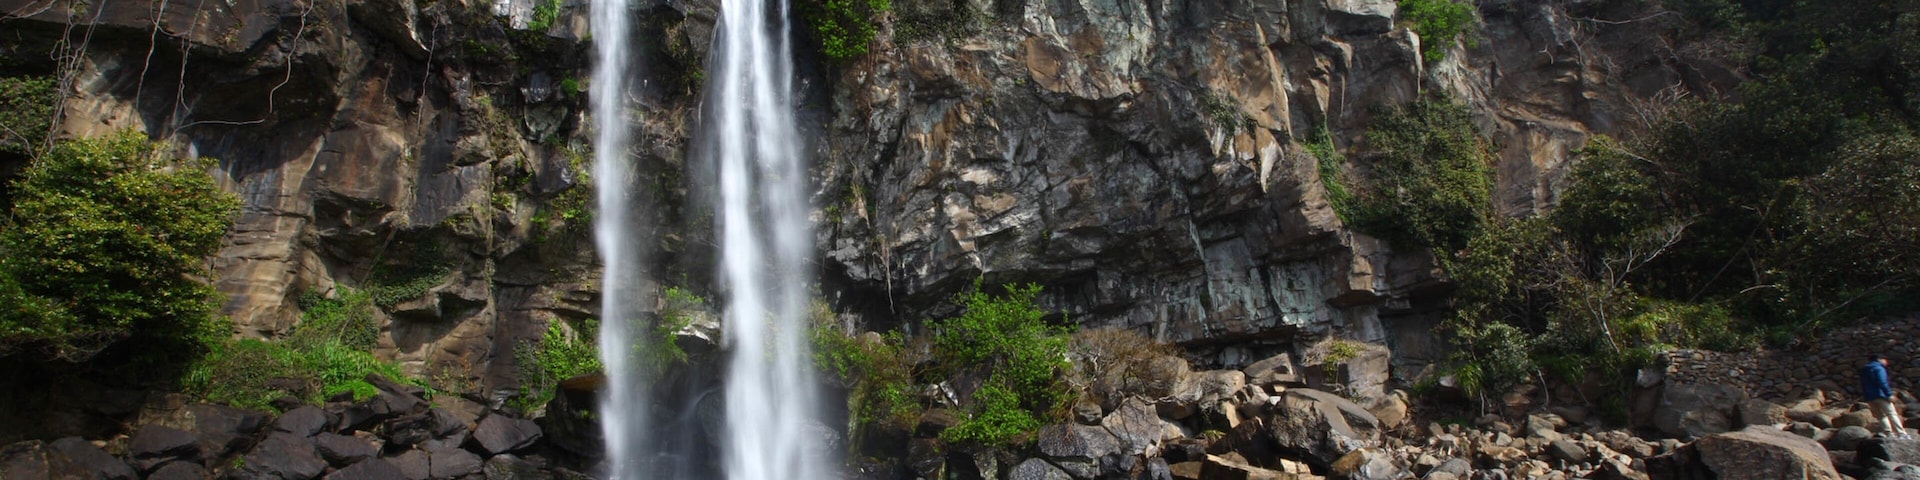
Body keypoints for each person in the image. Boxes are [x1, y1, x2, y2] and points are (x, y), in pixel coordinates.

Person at [1861, 354, 1911, 439]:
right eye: (1885, 359)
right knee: (1891, 413)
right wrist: (1889, 394)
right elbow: (1882, 382)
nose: (1886, 362)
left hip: (1869, 396)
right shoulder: (1879, 368)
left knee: (1880, 416)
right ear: (1879, 359)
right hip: (1881, 395)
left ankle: (1888, 433)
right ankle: (1901, 433)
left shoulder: (1864, 370)